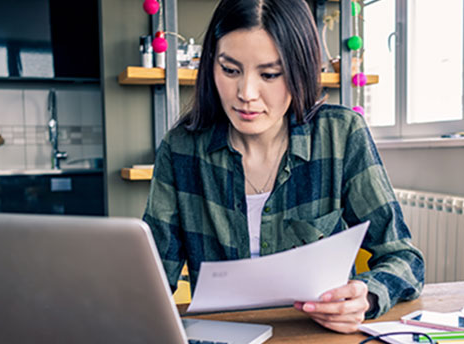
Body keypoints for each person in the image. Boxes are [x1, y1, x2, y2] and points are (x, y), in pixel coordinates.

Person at [143, 0, 424, 334]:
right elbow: (153, 279)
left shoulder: (341, 136)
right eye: (230, 70)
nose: (246, 93)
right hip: (218, 338)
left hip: (316, 336)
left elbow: (404, 258)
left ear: (300, 70)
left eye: (270, 75)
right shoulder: (180, 150)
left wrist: (367, 296)